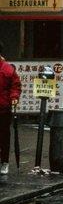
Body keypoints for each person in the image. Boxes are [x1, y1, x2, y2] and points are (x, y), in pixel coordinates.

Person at [0, 42, 21, 175]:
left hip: (3, 108)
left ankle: (4, 162)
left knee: (4, 136)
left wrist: (14, 97)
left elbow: (15, 86)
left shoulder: (7, 69)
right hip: (4, 106)